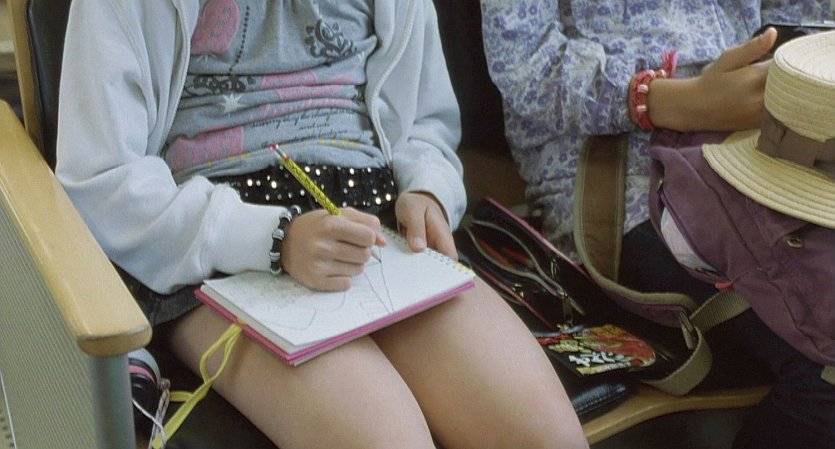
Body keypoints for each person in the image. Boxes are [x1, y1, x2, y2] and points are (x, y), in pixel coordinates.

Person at [55, 1, 589, 448]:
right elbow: (102, 178)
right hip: (214, 252)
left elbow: (423, 119)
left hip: (377, 228)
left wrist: (428, 188)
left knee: (549, 438)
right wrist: (275, 238)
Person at [480, 1, 835, 449]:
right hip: (622, 170)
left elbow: (809, 20)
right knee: (827, 369)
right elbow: (526, 64)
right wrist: (665, 100)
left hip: (763, 137)